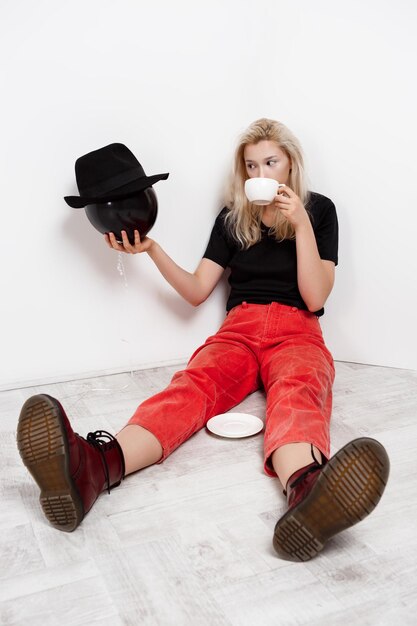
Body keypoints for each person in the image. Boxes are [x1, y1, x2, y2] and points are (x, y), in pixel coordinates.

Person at [17, 118, 389, 562]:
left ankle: (308, 491)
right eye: (251, 166)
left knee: (297, 391)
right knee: (191, 387)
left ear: (291, 165)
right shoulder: (233, 218)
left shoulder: (320, 211)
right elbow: (197, 290)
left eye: (271, 163)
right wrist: (151, 249)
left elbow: (315, 295)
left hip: (297, 329)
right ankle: (94, 468)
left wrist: (302, 225)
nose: (260, 176)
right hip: (238, 329)